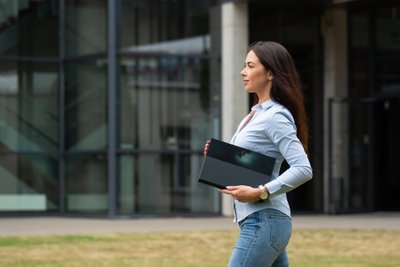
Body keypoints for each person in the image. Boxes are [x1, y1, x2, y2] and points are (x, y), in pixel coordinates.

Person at [203, 41, 313, 267]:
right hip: (262, 222)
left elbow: (303, 169)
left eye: (250, 66)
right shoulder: (255, 114)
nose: (243, 72)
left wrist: (260, 192)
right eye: (244, 66)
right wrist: (219, 156)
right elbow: (256, 162)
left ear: (270, 72)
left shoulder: (275, 116)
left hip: (264, 221)